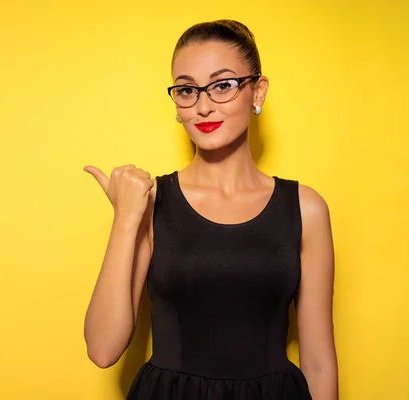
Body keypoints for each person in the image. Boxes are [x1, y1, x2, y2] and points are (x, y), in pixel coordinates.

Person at [83, 20, 338, 399]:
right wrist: (125, 218)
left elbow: (318, 361)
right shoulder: (149, 201)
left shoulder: (306, 209)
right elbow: (103, 350)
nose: (203, 106)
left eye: (222, 85)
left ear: (257, 91)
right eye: (187, 90)